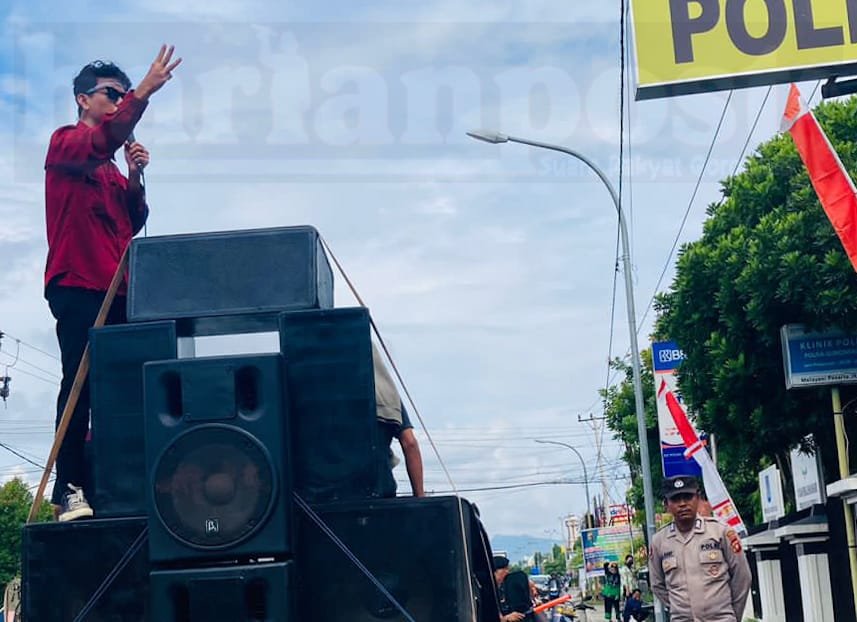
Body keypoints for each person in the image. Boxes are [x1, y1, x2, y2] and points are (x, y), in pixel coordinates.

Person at [44, 45, 182, 521]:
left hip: (119, 290)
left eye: (124, 95)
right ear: (83, 99)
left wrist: (136, 176)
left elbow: (133, 219)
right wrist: (143, 92)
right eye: (111, 95)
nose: (120, 102)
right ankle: (70, 487)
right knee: (79, 384)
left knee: (124, 389)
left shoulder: (109, 167)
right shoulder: (65, 144)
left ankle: (118, 482)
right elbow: (100, 141)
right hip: (79, 283)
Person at [648, 476, 752, 622]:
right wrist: (680, 609)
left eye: (688, 497)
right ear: (666, 504)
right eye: (676, 499)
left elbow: (742, 577)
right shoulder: (659, 541)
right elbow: (657, 584)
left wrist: (732, 615)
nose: (683, 504)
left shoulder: (720, 532)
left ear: (698, 498)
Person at [373, 343, 424, 497]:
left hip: (316, 502)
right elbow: (410, 443)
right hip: (379, 494)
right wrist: (420, 498)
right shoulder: (387, 396)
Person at [492, 556, 534, 622]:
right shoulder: (487, 592)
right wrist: (506, 618)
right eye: (505, 569)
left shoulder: (505, 589)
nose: (507, 572)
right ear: (495, 571)